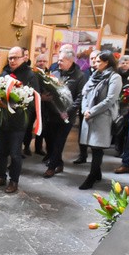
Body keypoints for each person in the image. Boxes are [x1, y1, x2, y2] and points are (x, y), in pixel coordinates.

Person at [0, 46, 40, 194]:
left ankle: (14, 180)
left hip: (17, 123)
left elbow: (32, 101)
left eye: (15, 57)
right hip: (2, 121)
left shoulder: (30, 76)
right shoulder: (5, 72)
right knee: (0, 151)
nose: (12, 60)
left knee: (15, 154)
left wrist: (15, 105)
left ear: (24, 58)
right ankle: (0, 176)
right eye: (10, 57)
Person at [78, 51, 122, 190]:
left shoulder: (115, 77)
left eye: (98, 61)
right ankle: (97, 173)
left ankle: (91, 177)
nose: (95, 63)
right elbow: (85, 94)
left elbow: (110, 99)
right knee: (92, 146)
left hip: (102, 116)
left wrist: (92, 111)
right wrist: (85, 110)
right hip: (89, 115)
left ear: (106, 62)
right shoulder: (94, 75)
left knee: (97, 147)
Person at [43, 50, 86, 178]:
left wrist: (68, 111)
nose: (58, 62)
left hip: (66, 116)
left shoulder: (79, 76)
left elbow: (80, 96)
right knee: (50, 140)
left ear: (70, 61)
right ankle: (58, 163)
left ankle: (51, 167)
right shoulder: (55, 73)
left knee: (59, 141)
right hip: (52, 113)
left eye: (61, 60)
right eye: (58, 60)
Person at [73, 49, 100, 164]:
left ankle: (95, 161)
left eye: (96, 58)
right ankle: (82, 154)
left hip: (97, 108)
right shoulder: (85, 72)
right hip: (85, 107)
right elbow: (82, 92)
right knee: (82, 133)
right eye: (92, 58)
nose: (94, 61)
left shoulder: (104, 74)